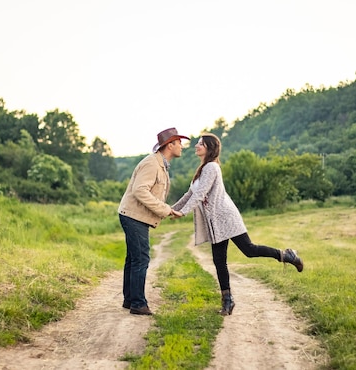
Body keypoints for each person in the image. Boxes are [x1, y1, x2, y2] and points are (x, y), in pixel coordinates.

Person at [172, 133, 304, 316]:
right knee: (219, 261)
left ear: (209, 148)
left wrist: (183, 212)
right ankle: (228, 301)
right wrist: (171, 210)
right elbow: (189, 194)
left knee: (249, 250)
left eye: (200, 143)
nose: (196, 146)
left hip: (227, 217)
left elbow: (200, 195)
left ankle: (286, 255)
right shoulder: (202, 170)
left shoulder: (211, 167)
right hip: (215, 223)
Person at [118, 127, 189, 316]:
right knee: (141, 258)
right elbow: (140, 191)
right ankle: (138, 304)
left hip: (134, 215)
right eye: (179, 142)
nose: (182, 146)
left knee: (134, 258)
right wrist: (166, 210)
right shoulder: (152, 164)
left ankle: (130, 299)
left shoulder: (161, 164)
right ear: (170, 145)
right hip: (133, 216)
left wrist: (169, 209)